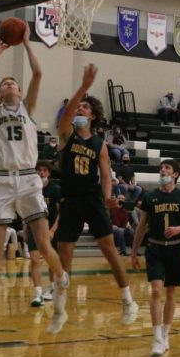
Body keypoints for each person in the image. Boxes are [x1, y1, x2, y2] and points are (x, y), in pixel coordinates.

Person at [0, 30, 70, 339]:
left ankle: (60, 284)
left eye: (13, 82)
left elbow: (38, 72)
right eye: (5, 84)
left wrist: (27, 42)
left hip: (29, 179)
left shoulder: (28, 107)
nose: (9, 84)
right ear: (0, 94)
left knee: (42, 245)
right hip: (3, 181)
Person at [54, 64, 138, 324]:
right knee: (64, 251)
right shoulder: (66, 135)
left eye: (85, 107)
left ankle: (128, 301)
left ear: (92, 117)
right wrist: (83, 88)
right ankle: (59, 309)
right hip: (70, 198)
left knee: (109, 248)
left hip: (92, 199)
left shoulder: (100, 144)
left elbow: (105, 174)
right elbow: (65, 116)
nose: (80, 109)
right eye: (79, 106)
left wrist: (107, 197)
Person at [131, 159, 180, 357]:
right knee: (155, 291)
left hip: (176, 250)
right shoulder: (151, 197)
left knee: (170, 293)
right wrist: (134, 253)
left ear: (176, 174)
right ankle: (156, 339)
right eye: (161, 168)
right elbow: (141, 226)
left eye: (167, 168)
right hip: (154, 248)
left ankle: (165, 334)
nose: (163, 170)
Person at [27, 161, 61, 307]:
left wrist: (53, 230)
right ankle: (38, 294)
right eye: (39, 170)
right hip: (34, 227)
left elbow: (62, 212)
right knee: (34, 260)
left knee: (50, 260)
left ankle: (53, 287)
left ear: (49, 173)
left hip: (52, 227)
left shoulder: (55, 189)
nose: (41, 172)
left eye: (44, 170)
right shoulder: (30, 189)